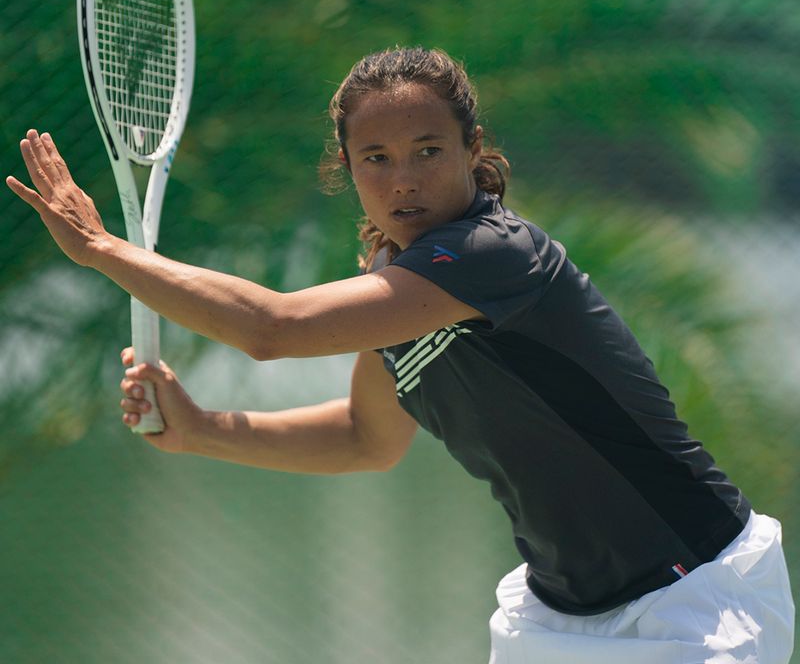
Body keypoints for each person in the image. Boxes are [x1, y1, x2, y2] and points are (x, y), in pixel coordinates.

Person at [7, 47, 795, 663]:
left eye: (427, 150)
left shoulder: (495, 255)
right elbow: (365, 437)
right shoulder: (391, 283)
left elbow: (272, 329)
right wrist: (205, 426)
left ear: (471, 147)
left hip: (694, 597)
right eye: (376, 157)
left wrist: (100, 248)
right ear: (345, 167)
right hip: (559, 618)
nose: (403, 179)